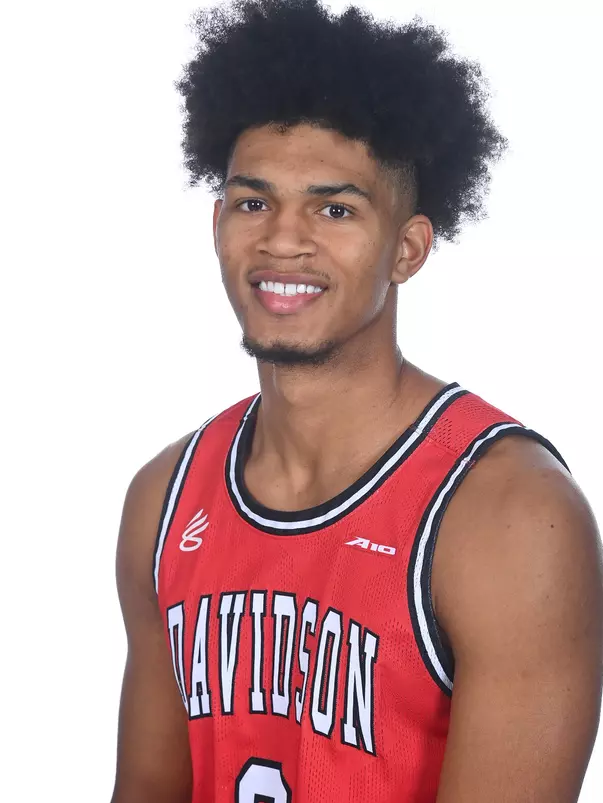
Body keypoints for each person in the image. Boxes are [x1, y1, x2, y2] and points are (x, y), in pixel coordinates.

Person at [110, 1, 603, 801]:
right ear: (218, 221)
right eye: (253, 201)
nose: (282, 239)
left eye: (334, 209)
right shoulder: (163, 500)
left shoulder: (510, 515)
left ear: (406, 249)